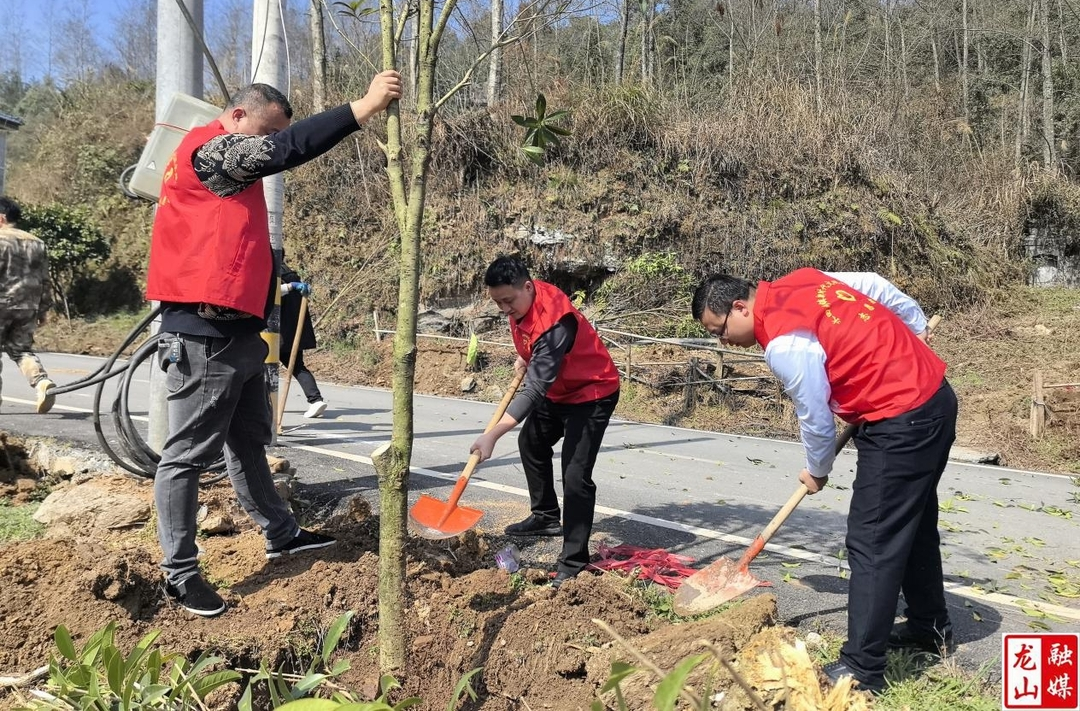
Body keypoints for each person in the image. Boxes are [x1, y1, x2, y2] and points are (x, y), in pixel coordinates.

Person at [145, 73, 402, 617]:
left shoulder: (224, 162)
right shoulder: (212, 151)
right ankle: (180, 574)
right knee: (187, 455)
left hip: (238, 332)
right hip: (202, 331)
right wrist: (363, 107)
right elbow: (286, 149)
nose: (263, 148)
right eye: (261, 133)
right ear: (237, 117)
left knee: (248, 443)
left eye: (269, 136)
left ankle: (281, 532)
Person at [691, 268, 956, 694]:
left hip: (901, 417)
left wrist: (817, 470)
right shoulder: (805, 280)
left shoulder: (782, 343)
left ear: (740, 307)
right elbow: (873, 284)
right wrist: (914, 324)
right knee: (913, 526)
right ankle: (929, 628)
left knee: (872, 540)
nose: (723, 342)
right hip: (932, 399)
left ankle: (862, 670)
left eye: (719, 330)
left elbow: (814, 414)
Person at [470, 256, 621, 589]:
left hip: (592, 391)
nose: (505, 309)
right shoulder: (521, 303)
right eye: (497, 303)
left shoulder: (556, 321)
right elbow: (533, 343)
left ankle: (574, 561)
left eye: (508, 301)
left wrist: (492, 434)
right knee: (532, 442)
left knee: (575, 474)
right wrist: (525, 355)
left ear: (528, 286)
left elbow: (535, 387)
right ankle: (546, 517)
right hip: (560, 391)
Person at [0, 196, 56, 414]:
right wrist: (43, 309)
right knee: (21, 350)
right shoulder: (37, 243)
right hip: (27, 307)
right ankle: (42, 383)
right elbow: (45, 279)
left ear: (2, 218)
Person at [279, 263, 326, 418]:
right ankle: (315, 400)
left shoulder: (274, 275)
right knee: (298, 366)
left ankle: (265, 406)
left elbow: (268, 294)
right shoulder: (292, 275)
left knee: (259, 369)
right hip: (293, 331)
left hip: (275, 333)